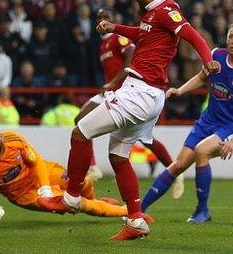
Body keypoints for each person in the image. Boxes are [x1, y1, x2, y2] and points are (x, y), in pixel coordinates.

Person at [38, 0, 221, 240]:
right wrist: (115, 27)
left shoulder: (167, 10)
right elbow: (141, 34)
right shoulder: (153, 13)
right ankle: (136, 221)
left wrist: (207, 60)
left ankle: (71, 197)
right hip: (147, 95)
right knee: (118, 156)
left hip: (139, 93)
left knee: (80, 131)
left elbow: (193, 35)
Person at [141, 22, 233, 223]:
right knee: (178, 165)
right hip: (208, 120)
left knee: (201, 151)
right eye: (231, 36)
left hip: (230, 127)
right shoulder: (215, 55)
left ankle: (202, 210)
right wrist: (179, 90)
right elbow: (200, 78)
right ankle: (138, 209)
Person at [76, 11, 185, 198]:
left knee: (145, 139)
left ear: (111, 21)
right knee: (80, 120)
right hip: (111, 93)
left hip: (126, 92)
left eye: (105, 18)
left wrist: (114, 81)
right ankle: (93, 169)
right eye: (98, 19)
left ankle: (175, 171)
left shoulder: (119, 38)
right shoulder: (103, 44)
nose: (101, 22)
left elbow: (132, 53)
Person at [0, 120, 131, 221]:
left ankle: (98, 202)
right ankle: (126, 211)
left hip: (42, 172)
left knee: (82, 181)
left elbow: (36, 161)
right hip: (27, 194)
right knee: (74, 203)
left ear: (0, 135)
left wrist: (45, 186)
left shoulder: (14, 139)